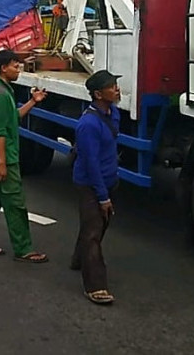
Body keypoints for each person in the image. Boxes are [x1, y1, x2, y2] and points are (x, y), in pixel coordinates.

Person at [0, 49, 49, 263]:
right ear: (3, 68)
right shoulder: (2, 94)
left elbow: (13, 118)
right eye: (15, 66)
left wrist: (33, 101)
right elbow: (0, 133)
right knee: (15, 203)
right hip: (3, 156)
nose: (19, 70)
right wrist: (3, 163)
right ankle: (24, 248)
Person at [70, 69, 121, 305]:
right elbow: (90, 164)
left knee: (97, 226)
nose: (117, 89)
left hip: (109, 180)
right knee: (93, 232)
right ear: (99, 94)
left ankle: (79, 260)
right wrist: (102, 197)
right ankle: (95, 285)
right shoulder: (88, 125)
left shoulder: (113, 113)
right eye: (112, 86)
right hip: (91, 184)